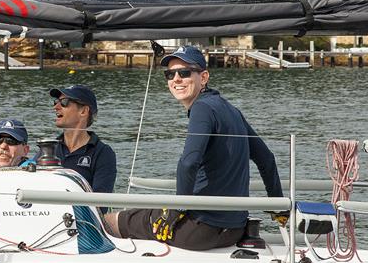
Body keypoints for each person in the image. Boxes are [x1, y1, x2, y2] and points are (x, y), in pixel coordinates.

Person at [105, 45, 284, 250]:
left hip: (200, 230)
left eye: (184, 72)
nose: (176, 79)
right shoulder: (231, 110)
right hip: (234, 230)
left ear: (204, 77)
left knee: (114, 220)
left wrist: (177, 210)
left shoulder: (202, 108)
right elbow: (267, 159)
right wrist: (277, 206)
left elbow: (189, 162)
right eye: (170, 74)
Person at [47, 84, 116, 194]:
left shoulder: (102, 153)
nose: (56, 107)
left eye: (64, 102)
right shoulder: (48, 149)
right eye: (56, 102)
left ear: (84, 111)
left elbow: (100, 204)